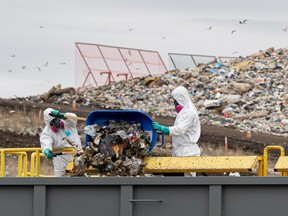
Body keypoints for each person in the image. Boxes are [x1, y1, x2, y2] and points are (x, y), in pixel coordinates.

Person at [152, 86, 201, 177]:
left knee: (186, 182)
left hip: (187, 153)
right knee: (178, 180)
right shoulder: (185, 110)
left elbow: (179, 129)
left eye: (176, 101)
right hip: (181, 151)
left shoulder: (189, 112)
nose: (175, 104)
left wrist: (163, 128)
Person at [40, 108, 82, 177]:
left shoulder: (68, 123)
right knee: (60, 179)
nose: (56, 123)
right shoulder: (47, 132)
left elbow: (73, 117)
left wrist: (63, 115)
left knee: (81, 176)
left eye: (56, 119)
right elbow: (45, 143)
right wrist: (47, 151)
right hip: (61, 158)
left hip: (78, 154)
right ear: (49, 123)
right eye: (53, 122)